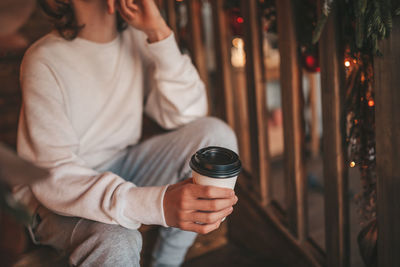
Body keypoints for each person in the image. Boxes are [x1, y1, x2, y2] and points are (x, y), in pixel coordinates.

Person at [13, 0, 239, 266]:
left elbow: (187, 113)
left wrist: (158, 32)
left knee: (215, 136)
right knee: (117, 238)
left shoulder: (135, 39)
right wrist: (157, 204)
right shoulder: (43, 59)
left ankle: (166, 262)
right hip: (54, 198)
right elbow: (53, 177)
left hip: (121, 166)